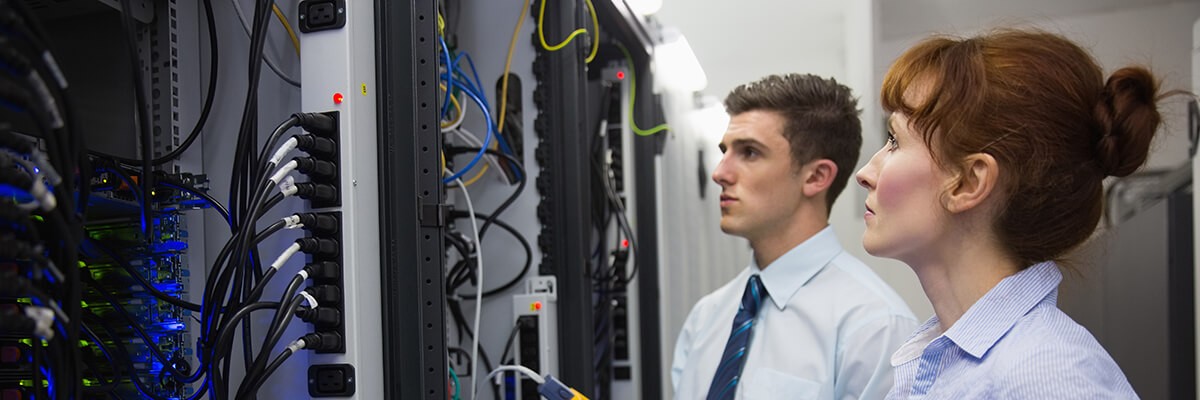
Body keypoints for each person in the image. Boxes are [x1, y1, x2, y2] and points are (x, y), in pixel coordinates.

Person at [855, 28, 1173, 398]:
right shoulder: (941, 363)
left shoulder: (1048, 376)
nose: (865, 174)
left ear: (968, 183)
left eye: (895, 141)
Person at [672, 73, 918, 400]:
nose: (719, 173)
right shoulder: (705, 319)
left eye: (749, 153)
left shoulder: (875, 328)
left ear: (816, 176)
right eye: (725, 151)